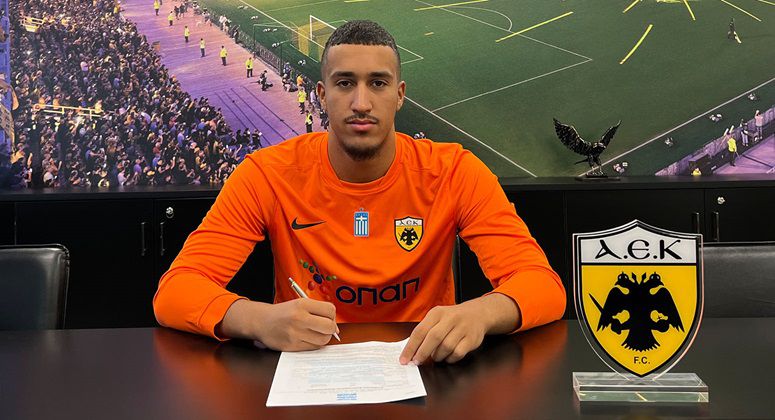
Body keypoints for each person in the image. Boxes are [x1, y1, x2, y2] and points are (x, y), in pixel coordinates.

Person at [153, 20, 565, 365]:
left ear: (399, 95)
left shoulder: (455, 171)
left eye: (378, 83)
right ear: (321, 95)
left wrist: (481, 313)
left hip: (421, 370)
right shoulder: (267, 174)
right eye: (345, 83)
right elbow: (176, 291)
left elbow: (542, 285)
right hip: (307, 376)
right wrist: (258, 320)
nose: (361, 102)